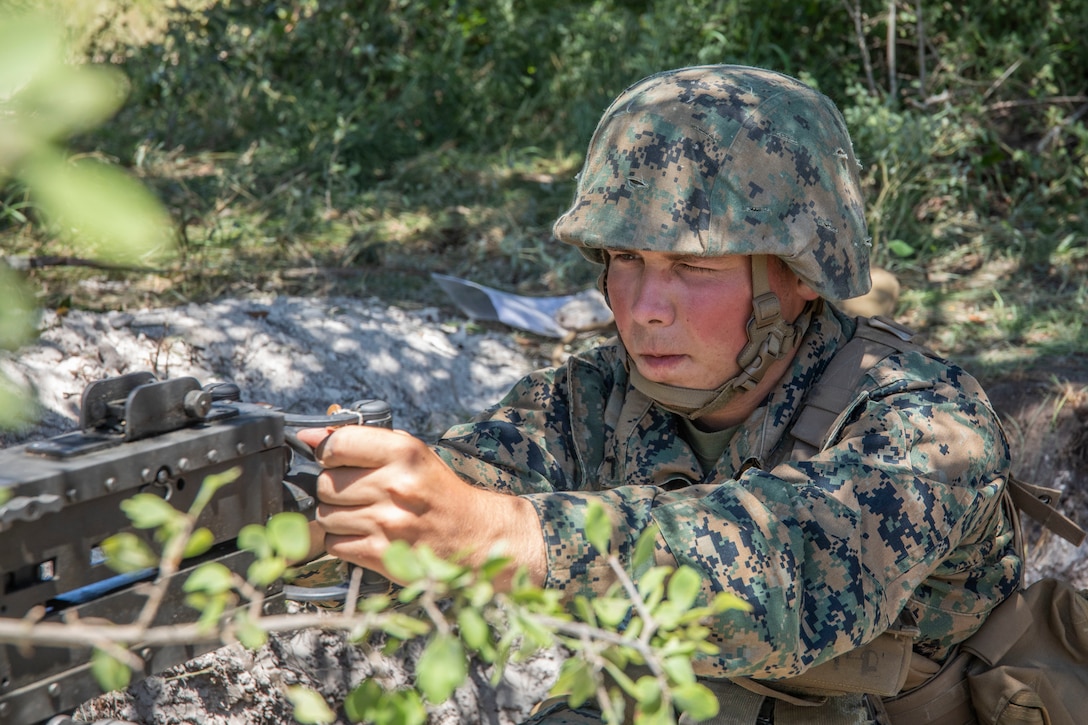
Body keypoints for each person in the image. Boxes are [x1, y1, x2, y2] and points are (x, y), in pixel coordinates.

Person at [296, 65, 1020, 723]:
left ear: (797, 275)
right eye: (624, 259)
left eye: (691, 265)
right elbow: (465, 478)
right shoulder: (597, 390)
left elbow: (784, 576)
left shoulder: (926, 420)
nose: (644, 306)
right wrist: (313, 500)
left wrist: (502, 532)